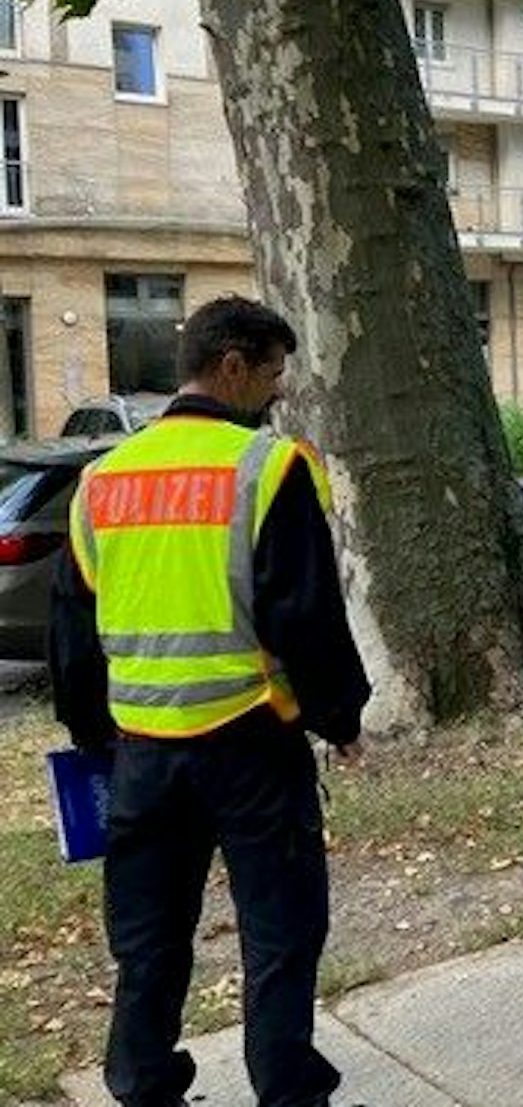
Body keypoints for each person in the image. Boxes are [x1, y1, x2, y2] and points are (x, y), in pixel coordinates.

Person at [50, 296, 372, 1107]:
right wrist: (340, 717)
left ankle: (143, 1085)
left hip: (141, 756)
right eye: (272, 372)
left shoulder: (101, 481)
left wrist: (93, 737)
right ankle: (287, 1092)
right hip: (250, 745)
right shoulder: (268, 467)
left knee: (148, 938)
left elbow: (73, 631)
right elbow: (306, 616)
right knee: (281, 933)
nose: (277, 389)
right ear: (232, 366)